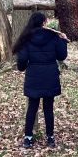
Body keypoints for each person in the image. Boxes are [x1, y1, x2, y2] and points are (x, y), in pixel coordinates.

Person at [13, 12, 68, 149]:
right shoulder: (53, 36)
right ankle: (50, 138)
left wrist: (22, 67)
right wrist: (63, 40)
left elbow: (22, 61)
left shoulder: (26, 37)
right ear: (44, 22)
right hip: (50, 76)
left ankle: (28, 138)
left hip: (34, 77)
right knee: (48, 108)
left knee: (32, 108)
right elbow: (62, 56)